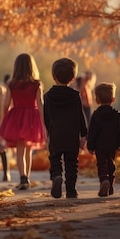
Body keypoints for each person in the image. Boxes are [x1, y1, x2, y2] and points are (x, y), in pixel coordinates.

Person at [0, 53, 47, 190]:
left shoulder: (12, 84)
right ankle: (27, 178)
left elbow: (6, 104)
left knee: (20, 150)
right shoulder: (36, 84)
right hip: (32, 119)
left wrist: (6, 118)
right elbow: (40, 104)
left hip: (17, 118)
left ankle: (23, 178)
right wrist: (44, 122)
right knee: (28, 150)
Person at [43, 58, 88, 198]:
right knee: (71, 163)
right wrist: (84, 134)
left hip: (56, 133)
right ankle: (71, 190)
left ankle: (56, 176)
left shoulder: (48, 96)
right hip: (72, 135)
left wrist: (48, 133)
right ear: (73, 78)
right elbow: (80, 116)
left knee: (55, 159)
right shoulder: (75, 96)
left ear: (53, 76)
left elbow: (46, 117)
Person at [87, 82, 120, 197]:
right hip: (112, 144)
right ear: (113, 99)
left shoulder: (95, 115)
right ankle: (111, 185)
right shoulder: (116, 114)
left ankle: (104, 180)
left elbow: (92, 132)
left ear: (97, 99)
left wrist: (90, 145)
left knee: (102, 164)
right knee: (111, 164)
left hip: (100, 145)